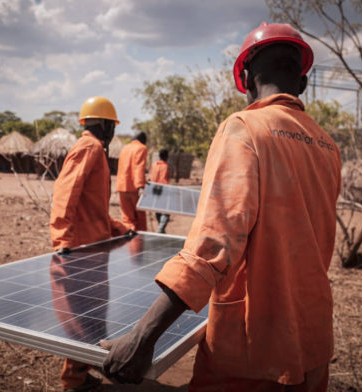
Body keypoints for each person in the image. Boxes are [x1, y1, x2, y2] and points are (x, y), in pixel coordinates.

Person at [100, 22, 342, 392]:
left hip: (253, 347)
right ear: (303, 83)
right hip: (313, 338)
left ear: (245, 78)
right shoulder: (327, 146)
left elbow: (213, 245)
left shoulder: (244, 127)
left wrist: (142, 335)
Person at [49, 96, 132, 392]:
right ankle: (74, 381)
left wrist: (120, 228)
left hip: (94, 252)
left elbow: (94, 208)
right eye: (112, 125)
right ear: (107, 125)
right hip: (80, 253)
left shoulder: (93, 149)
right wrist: (62, 240)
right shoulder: (90, 147)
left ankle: (81, 372)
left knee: (92, 314)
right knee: (81, 317)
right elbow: (65, 192)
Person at [115, 132, 148, 231]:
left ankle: (130, 244)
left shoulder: (125, 148)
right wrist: (140, 186)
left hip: (121, 187)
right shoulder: (141, 148)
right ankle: (141, 244)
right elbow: (139, 166)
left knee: (127, 219)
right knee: (140, 219)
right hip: (134, 188)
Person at [149, 149, 171, 233]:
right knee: (166, 212)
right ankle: (160, 229)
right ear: (166, 156)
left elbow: (152, 177)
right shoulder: (165, 166)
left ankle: (161, 230)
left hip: (154, 191)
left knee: (158, 210)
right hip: (163, 191)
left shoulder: (154, 165)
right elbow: (164, 180)